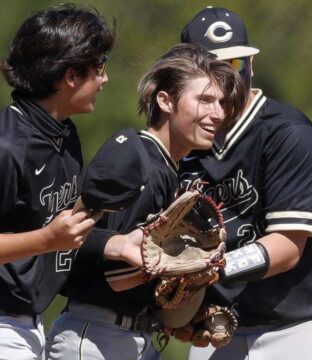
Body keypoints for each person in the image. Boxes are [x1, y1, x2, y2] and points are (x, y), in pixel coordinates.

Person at [45, 42, 246, 360]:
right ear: (165, 100)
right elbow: (92, 260)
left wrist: (187, 304)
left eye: (222, 102)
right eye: (205, 100)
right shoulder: (132, 156)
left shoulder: (168, 167)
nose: (218, 113)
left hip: (132, 336)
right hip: (96, 336)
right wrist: (178, 266)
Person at [0, 4, 115, 359]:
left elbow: (57, 231)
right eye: (99, 65)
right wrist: (44, 240)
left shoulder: (63, 134)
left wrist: (119, 243)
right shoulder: (1, 148)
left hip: (23, 322)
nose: (104, 79)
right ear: (70, 76)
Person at [178, 6, 312, 360]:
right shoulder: (184, 140)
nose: (228, 77)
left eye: (235, 64)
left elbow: (288, 245)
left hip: (291, 329)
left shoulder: (287, 132)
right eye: (211, 68)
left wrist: (208, 272)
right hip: (215, 330)